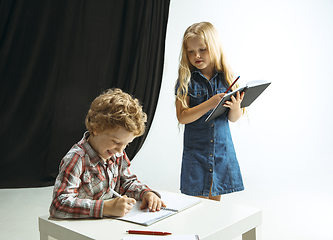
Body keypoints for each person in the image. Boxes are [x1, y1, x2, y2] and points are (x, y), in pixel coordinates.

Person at [49, 88, 165, 218]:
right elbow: (58, 205)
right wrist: (105, 208)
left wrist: (146, 193)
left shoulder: (117, 154)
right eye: (116, 142)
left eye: (126, 144)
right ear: (96, 128)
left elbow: (126, 183)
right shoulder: (77, 158)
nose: (121, 150)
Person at [175, 22, 245, 201]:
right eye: (190, 51)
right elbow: (182, 117)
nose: (196, 55)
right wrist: (210, 103)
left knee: (215, 204)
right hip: (196, 151)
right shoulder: (186, 80)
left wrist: (236, 107)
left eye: (202, 49)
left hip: (221, 150)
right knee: (198, 203)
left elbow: (234, 118)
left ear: (213, 47)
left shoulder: (227, 77)